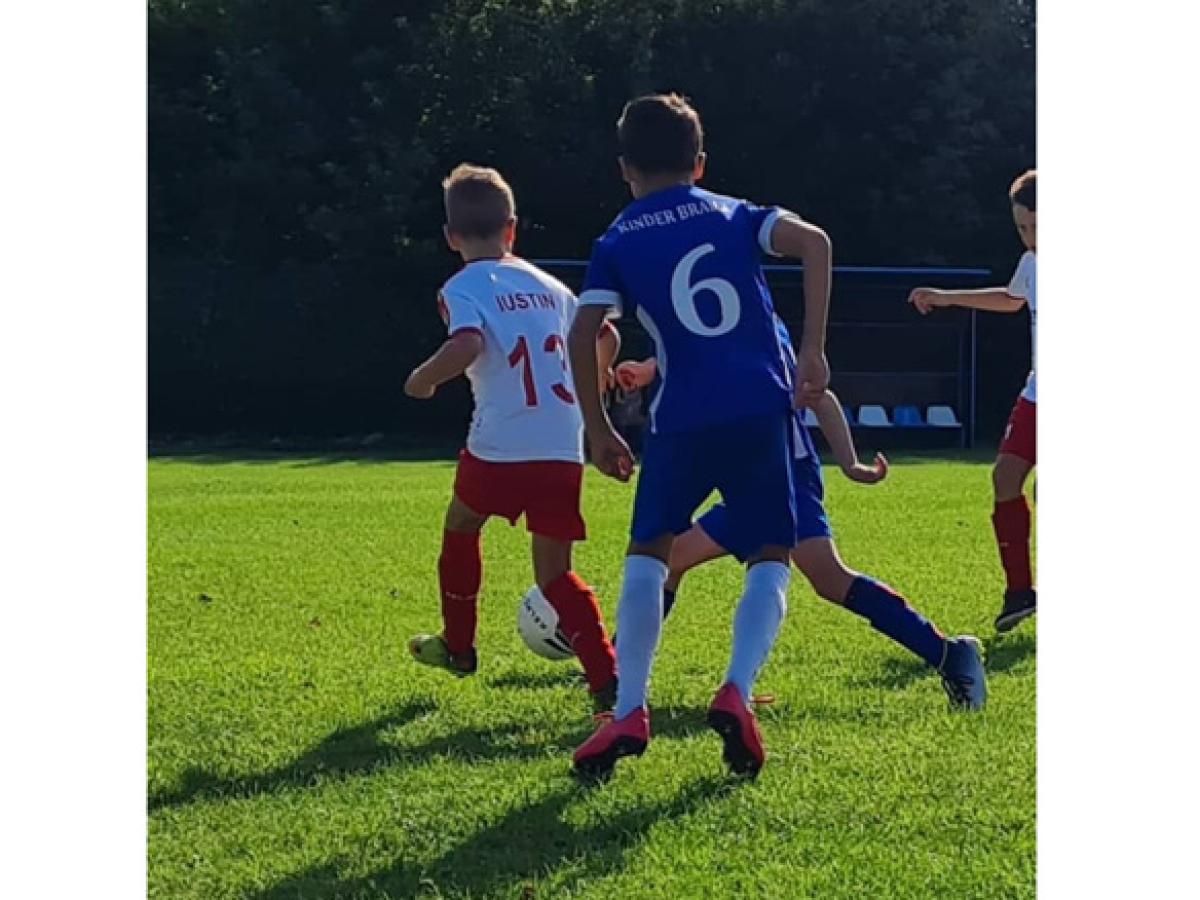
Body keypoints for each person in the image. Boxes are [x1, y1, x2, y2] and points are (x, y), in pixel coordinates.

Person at [566, 93, 826, 779]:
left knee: (648, 553)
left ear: (625, 169)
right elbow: (816, 243)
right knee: (771, 551)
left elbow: (584, 331)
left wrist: (597, 427)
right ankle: (736, 689)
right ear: (700, 163)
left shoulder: (617, 240)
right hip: (760, 408)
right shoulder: (736, 215)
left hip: (681, 416)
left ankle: (629, 708)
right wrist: (812, 350)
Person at [612, 341, 987, 706]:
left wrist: (850, 463)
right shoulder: (723, 319)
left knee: (829, 577)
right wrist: (648, 369)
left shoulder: (763, 329)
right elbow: (691, 347)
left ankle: (950, 655)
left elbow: (820, 397)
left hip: (787, 476)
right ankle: (615, 670)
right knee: (672, 559)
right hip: (747, 478)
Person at [404, 164, 619, 711]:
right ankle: (606, 677)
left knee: (461, 525)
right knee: (555, 574)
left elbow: (467, 344)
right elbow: (606, 336)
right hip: (561, 444)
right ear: (513, 229)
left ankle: (459, 645)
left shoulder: (462, 286)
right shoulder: (552, 287)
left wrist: (424, 378)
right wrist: (597, 380)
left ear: (451, 237)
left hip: (501, 443)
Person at [908, 169, 1037, 632]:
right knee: (1005, 477)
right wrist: (947, 298)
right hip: (1038, 393)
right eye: (1022, 227)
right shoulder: (1032, 263)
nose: (1030, 237)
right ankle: (1020, 592)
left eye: (1037, 226)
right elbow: (1012, 299)